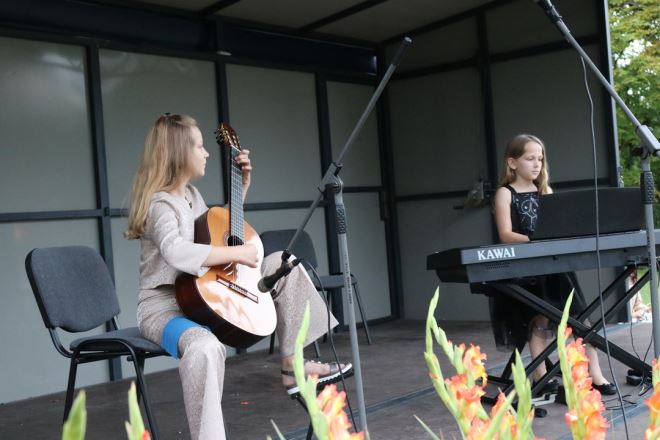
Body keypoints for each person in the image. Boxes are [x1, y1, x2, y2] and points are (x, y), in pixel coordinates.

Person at [125, 114, 352, 440]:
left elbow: (216, 230)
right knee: (204, 347)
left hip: (203, 295)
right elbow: (176, 251)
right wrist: (236, 254)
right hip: (165, 310)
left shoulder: (192, 196)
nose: (206, 153)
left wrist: (241, 187)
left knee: (283, 265)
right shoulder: (161, 203)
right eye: (199, 146)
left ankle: (293, 365)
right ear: (178, 152)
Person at [491, 133, 616, 396]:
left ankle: (595, 374)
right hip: (528, 269)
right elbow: (505, 233)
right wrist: (536, 241)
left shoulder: (545, 191)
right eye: (530, 158)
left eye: (540, 158)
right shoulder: (505, 193)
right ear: (512, 163)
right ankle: (541, 374)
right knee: (539, 319)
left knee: (581, 318)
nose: (537, 164)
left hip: (556, 266)